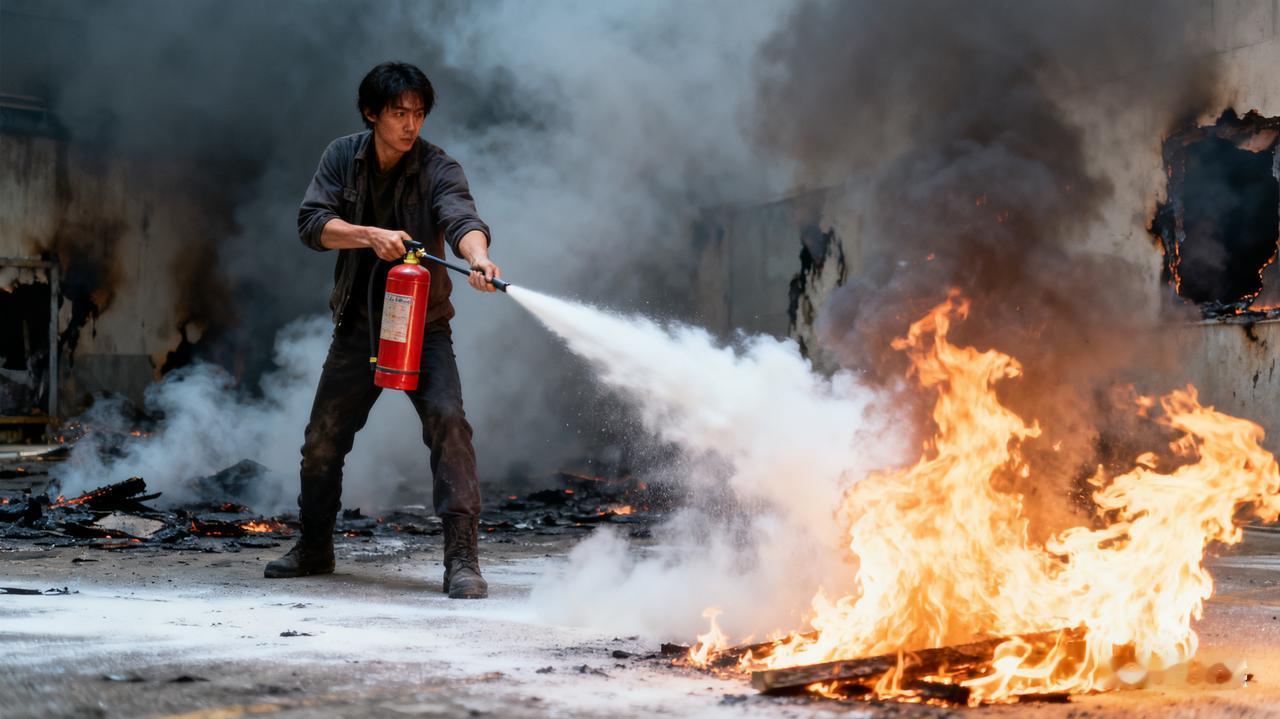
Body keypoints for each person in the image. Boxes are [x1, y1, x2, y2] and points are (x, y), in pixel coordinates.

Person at [264, 61, 501, 599]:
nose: (410, 125)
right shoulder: (340, 158)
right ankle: (314, 546)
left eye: (418, 114)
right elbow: (311, 225)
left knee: (449, 424)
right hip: (358, 327)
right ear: (372, 113)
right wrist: (368, 234)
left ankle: (462, 560)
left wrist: (481, 259)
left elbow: (463, 219)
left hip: (425, 328)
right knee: (321, 441)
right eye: (399, 113)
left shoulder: (440, 167)